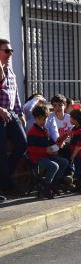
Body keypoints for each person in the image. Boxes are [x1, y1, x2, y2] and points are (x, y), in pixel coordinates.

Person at [0, 38, 27, 197]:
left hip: (11, 113)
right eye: (6, 51)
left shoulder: (10, 70)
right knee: (1, 150)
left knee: (22, 143)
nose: (10, 53)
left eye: (11, 51)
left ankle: (4, 179)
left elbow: (15, 94)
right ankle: (6, 184)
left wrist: (21, 112)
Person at [26, 105, 69, 199]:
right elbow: (31, 149)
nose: (43, 121)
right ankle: (45, 186)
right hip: (36, 158)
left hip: (46, 155)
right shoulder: (32, 132)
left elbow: (50, 143)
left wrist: (58, 143)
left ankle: (54, 183)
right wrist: (46, 150)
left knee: (64, 162)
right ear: (35, 118)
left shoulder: (45, 130)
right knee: (54, 166)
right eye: (40, 119)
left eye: (45, 119)